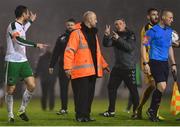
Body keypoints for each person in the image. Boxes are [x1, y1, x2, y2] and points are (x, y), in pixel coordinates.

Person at [5, 5, 47, 122]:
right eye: (28, 13)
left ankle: (22, 110)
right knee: (11, 89)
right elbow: (18, 40)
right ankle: (10, 116)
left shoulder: (21, 26)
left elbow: (23, 31)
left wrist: (31, 22)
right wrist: (35, 44)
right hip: (12, 61)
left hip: (23, 61)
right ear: (23, 14)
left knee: (32, 85)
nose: (29, 15)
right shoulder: (13, 26)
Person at [64, 11, 109, 122]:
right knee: (81, 96)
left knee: (89, 95)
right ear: (89, 19)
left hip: (92, 70)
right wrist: (67, 68)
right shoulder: (76, 33)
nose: (96, 21)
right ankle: (80, 116)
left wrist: (103, 64)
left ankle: (86, 116)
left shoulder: (93, 33)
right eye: (95, 19)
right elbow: (69, 51)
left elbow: (96, 52)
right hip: (80, 71)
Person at [99, 18, 139, 119]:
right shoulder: (115, 35)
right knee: (111, 87)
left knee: (133, 90)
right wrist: (106, 35)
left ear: (124, 24)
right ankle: (111, 111)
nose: (118, 26)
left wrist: (118, 39)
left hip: (129, 67)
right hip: (117, 67)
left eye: (120, 23)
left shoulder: (130, 34)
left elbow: (130, 48)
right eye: (116, 24)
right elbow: (106, 44)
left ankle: (136, 112)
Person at [142, 10, 177, 122]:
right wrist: (145, 63)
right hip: (154, 62)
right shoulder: (152, 31)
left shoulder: (170, 31)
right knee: (161, 86)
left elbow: (169, 47)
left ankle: (152, 111)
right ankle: (152, 110)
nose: (172, 20)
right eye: (170, 18)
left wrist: (173, 63)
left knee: (161, 88)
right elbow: (143, 46)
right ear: (163, 18)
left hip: (164, 63)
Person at [137, 8, 165, 120]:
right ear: (148, 17)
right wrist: (145, 63)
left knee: (157, 86)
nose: (156, 16)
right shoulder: (147, 29)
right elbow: (144, 46)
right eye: (153, 15)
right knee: (156, 85)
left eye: (157, 14)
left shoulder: (159, 29)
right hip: (149, 61)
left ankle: (145, 109)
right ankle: (146, 110)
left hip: (158, 61)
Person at [49, 18, 76, 115]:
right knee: (63, 88)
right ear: (66, 25)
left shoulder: (79, 36)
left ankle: (79, 108)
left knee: (78, 89)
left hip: (77, 67)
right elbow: (56, 52)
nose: (70, 26)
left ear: (75, 25)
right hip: (63, 67)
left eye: (72, 25)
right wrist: (51, 65)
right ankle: (64, 109)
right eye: (68, 25)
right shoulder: (61, 38)